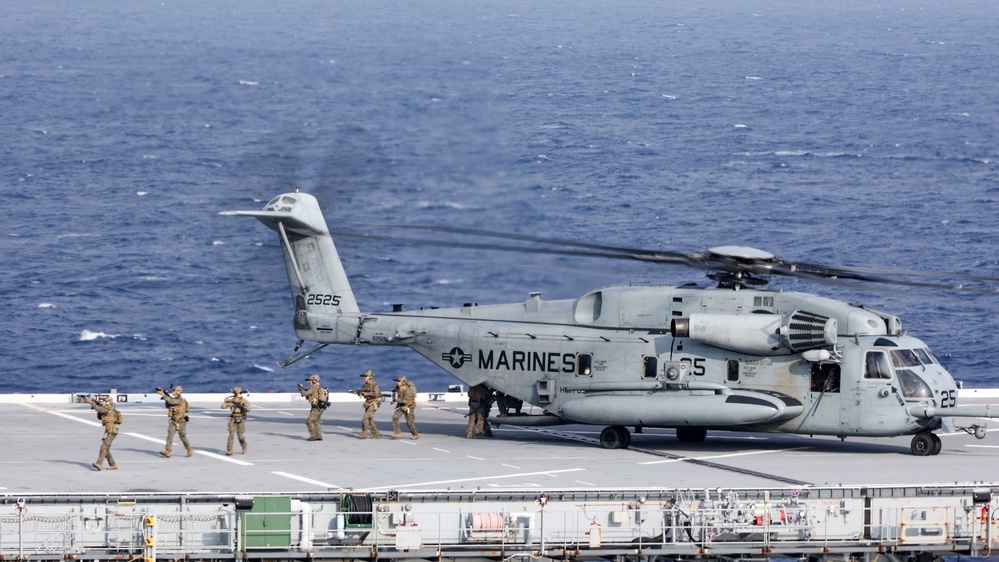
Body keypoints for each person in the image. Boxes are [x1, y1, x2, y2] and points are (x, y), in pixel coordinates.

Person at [85, 395, 120, 471]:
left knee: (103, 447)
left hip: (111, 431)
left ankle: (99, 464)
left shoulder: (109, 408)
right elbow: (99, 416)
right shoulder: (106, 409)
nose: (102, 402)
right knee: (106, 449)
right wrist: (96, 405)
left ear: (108, 402)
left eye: (104, 401)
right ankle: (113, 465)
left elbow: (100, 410)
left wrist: (92, 402)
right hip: (108, 431)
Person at [156, 385, 192, 458]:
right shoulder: (174, 399)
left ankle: (189, 449)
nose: (173, 392)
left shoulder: (180, 400)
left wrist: (163, 394)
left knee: (182, 437)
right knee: (170, 436)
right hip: (173, 421)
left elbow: (172, 401)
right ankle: (168, 451)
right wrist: (165, 395)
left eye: (174, 390)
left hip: (181, 421)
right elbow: (169, 404)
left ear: (178, 392)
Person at [221, 387, 250, 455]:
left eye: (241, 393)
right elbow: (222, 406)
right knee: (231, 435)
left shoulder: (244, 401)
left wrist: (243, 407)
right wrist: (228, 404)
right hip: (233, 419)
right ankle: (229, 450)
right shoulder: (231, 400)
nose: (241, 394)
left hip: (241, 419)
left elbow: (249, 409)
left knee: (240, 435)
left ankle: (244, 445)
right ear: (236, 394)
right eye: (239, 393)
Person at [298, 374, 326, 441]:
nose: (309, 382)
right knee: (316, 421)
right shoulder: (317, 388)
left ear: (314, 381)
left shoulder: (313, 388)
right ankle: (319, 435)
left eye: (310, 381)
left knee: (309, 421)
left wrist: (301, 389)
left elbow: (305, 394)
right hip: (320, 407)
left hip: (316, 407)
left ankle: (313, 436)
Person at [390, 375, 419, 440]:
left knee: (409, 422)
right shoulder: (399, 389)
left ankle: (415, 434)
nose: (397, 382)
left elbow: (406, 401)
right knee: (395, 417)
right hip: (402, 406)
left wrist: (397, 400)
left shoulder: (407, 390)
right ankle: (397, 433)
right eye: (397, 381)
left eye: (398, 381)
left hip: (409, 407)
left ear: (403, 382)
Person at [357, 370, 382, 439]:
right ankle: (376, 434)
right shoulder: (364, 385)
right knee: (370, 420)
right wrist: (358, 392)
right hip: (368, 403)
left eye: (366, 376)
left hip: (373, 403)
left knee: (365, 418)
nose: (364, 378)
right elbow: (362, 391)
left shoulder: (374, 385)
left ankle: (363, 433)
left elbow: (377, 393)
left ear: (370, 377)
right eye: (364, 376)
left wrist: (368, 394)